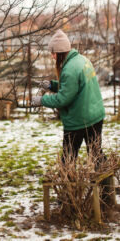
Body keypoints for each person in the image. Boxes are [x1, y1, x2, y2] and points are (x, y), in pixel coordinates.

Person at [32, 29, 106, 167]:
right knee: (96, 155)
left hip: (79, 120)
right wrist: (52, 85)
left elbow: (63, 99)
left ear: (60, 52)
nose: (52, 57)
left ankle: (68, 187)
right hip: (95, 116)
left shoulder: (69, 69)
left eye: (53, 53)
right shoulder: (82, 60)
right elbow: (73, 87)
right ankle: (107, 187)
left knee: (68, 159)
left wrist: (41, 101)